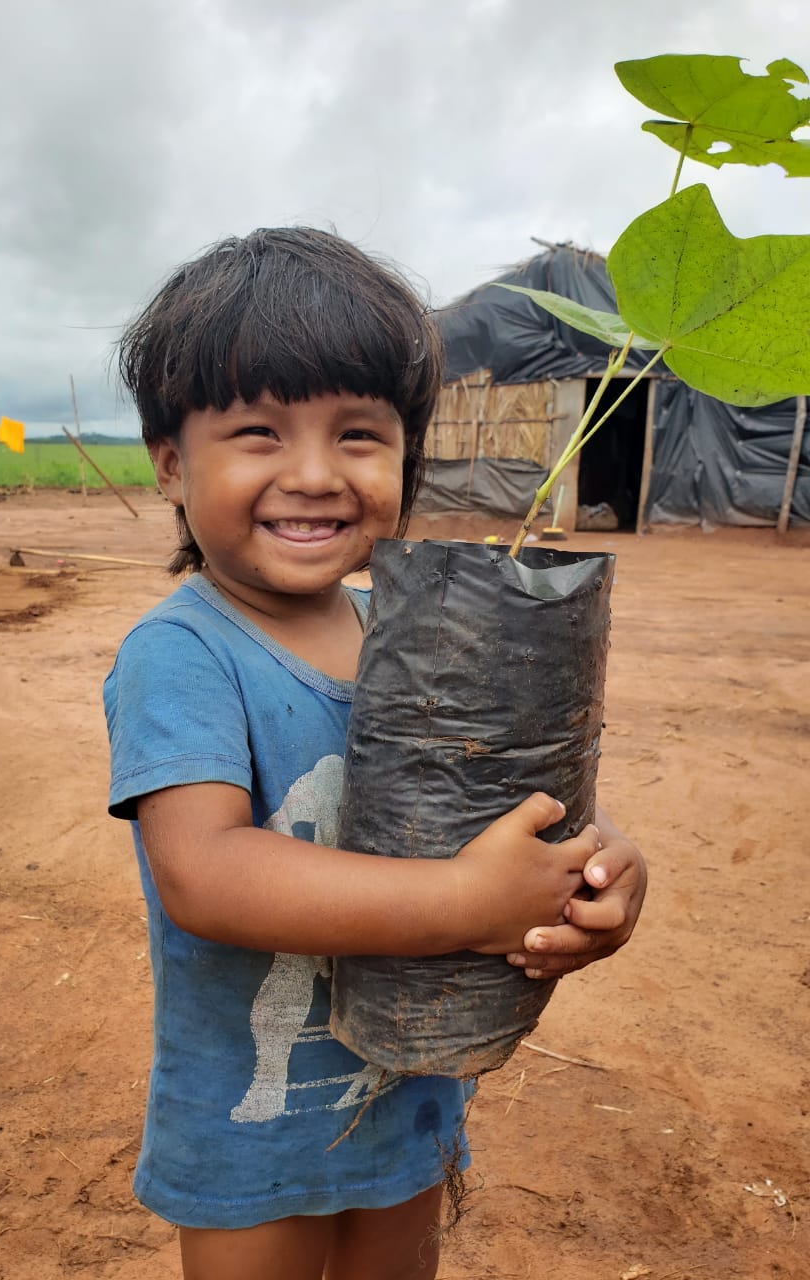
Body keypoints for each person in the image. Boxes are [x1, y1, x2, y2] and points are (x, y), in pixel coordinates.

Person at [104, 227, 647, 1280]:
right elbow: (205, 873)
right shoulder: (181, 652)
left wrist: (600, 871)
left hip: (411, 1094)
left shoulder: (406, 625)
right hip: (251, 1121)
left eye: (360, 434)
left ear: (408, 449)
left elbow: (513, 799)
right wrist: (466, 902)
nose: (315, 474)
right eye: (258, 432)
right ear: (172, 461)